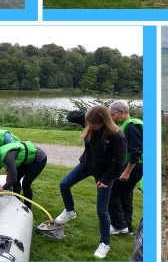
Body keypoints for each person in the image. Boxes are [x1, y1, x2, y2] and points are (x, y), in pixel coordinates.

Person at [54, 105, 126, 260]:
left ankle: (104, 243)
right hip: (86, 165)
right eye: (88, 123)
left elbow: (119, 164)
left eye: (93, 124)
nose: (89, 126)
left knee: (101, 209)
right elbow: (70, 115)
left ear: (103, 122)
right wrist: (86, 113)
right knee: (64, 184)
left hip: (104, 174)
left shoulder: (117, 136)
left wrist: (106, 180)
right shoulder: (90, 120)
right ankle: (70, 211)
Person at [108, 100, 142, 235]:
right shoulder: (126, 124)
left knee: (113, 194)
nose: (112, 118)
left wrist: (127, 171)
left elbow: (136, 151)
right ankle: (127, 226)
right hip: (134, 166)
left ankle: (118, 226)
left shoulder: (132, 126)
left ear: (122, 112)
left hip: (134, 166)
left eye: (112, 115)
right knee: (125, 195)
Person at [0, 139, 47, 208]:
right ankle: (17, 202)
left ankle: (28, 207)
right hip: (25, 160)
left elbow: (13, 179)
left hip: (38, 159)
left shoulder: (8, 157)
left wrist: (2, 188)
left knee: (26, 184)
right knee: (16, 182)